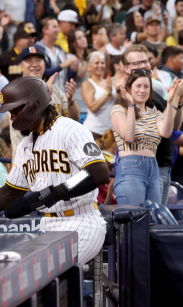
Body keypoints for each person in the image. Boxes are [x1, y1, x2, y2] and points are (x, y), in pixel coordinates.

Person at [0, 76, 108, 267]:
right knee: (22, 275)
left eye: (15, 111)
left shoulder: (71, 129)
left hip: (81, 221)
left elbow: (98, 172)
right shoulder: (25, 145)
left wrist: (55, 192)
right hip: (48, 225)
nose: (12, 118)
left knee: (45, 271)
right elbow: (10, 192)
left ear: (33, 106)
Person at [110, 70, 183, 205]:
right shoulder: (119, 109)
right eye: (138, 86)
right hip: (130, 167)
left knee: (153, 219)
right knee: (134, 219)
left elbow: (166, 132)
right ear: (128, 89)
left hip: (154, 168)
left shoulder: (155, 113)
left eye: (146, 87)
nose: (142, 90)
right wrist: (130, 105)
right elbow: (128, 137)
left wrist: (171, 102)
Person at [82, 52, 117, 141]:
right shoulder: (87, 84)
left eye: (102, 63)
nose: (100, 65)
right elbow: (93, 107)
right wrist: (108, 92)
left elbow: (115, 103)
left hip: (111, 132)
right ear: (89, 67)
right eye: (97, 63)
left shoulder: (109, 82)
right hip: (94, 131)